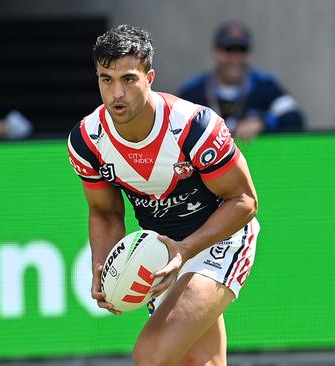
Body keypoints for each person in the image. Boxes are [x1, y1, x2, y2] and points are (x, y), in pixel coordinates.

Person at [67, 25, 259, 365]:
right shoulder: (87, 140)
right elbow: (106, 213)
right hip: (163, 254)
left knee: (151, 354)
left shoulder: (194, 126)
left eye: (128, 79)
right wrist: (102, 264)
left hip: (221, 240)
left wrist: (184, 251)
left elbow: (244, 201)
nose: (116, 94)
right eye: (105, 79)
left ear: (149, 77)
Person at [179, 21, 305, 140]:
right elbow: (175, 129)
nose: (235, 58)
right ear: (215, 52)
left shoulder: (266, 86)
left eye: (241, 50)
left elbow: (294, 118)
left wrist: (263, 122)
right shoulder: (193, 92)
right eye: (228, 50)